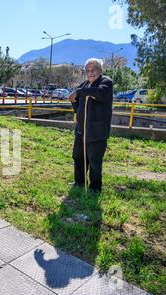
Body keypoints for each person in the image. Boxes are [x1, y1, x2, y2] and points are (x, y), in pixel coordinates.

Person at [68, 58, 113, 193]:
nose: (90, 73)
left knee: (94, 161)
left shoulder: (106, 82)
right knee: (78, 157)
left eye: (93, 70)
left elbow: (100, 93)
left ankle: (94, 188)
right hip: (81, 131)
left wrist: (81, 92)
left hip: (96, 132)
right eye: (88, 70)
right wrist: (73, 101)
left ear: (99, 70)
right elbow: (78, 107)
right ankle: (80, 183)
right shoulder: (84, 84)